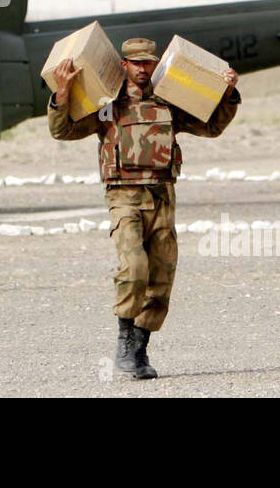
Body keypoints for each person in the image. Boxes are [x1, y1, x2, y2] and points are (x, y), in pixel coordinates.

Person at [48, 37, 240, 379]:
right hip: (124, 195)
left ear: (155, 64)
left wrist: (227, 94)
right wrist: (62, 95)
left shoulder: (169, 101)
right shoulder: (106, 103)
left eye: (147, 63)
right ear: (124, 65)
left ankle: (138, 350)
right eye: (135, 63)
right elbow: (64, 131)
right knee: (134, 267)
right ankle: (124, 339)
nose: (142, 69)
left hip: (162, 195)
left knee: (161, 277)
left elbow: (211, 127)